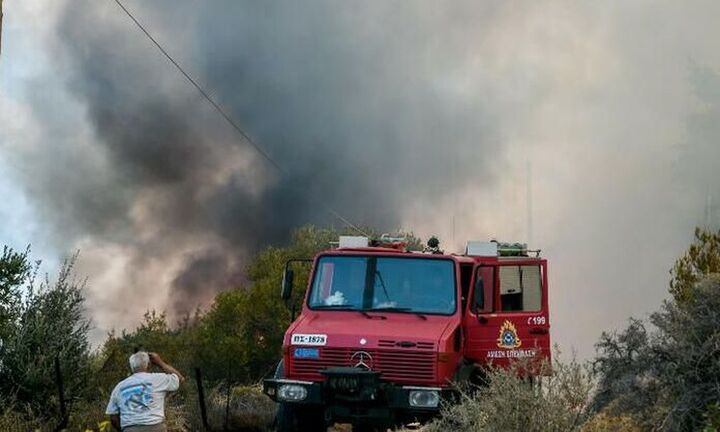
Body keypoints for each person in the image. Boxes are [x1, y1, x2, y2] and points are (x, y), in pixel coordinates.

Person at [106, 351, 185, 431]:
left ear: (131, 366)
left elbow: (113, 417)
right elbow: (180, 379)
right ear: (148, 365)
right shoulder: (158, 379)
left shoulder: (119, 387)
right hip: (155, 427)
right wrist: (160, 362)